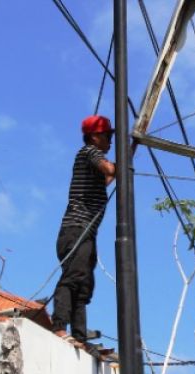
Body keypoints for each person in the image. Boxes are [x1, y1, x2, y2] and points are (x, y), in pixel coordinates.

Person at [52, 114, 117, 341]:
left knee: (84, 285)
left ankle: (79, 336)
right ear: (93, 137)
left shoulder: (92, 158)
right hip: (76, 229)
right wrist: (122, 162)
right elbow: (110, 170)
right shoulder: (89, 152)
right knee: (73, 277)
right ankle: (59, 326)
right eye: (107, 135)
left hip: (85, 232)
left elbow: (107, 178)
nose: (110, 140)